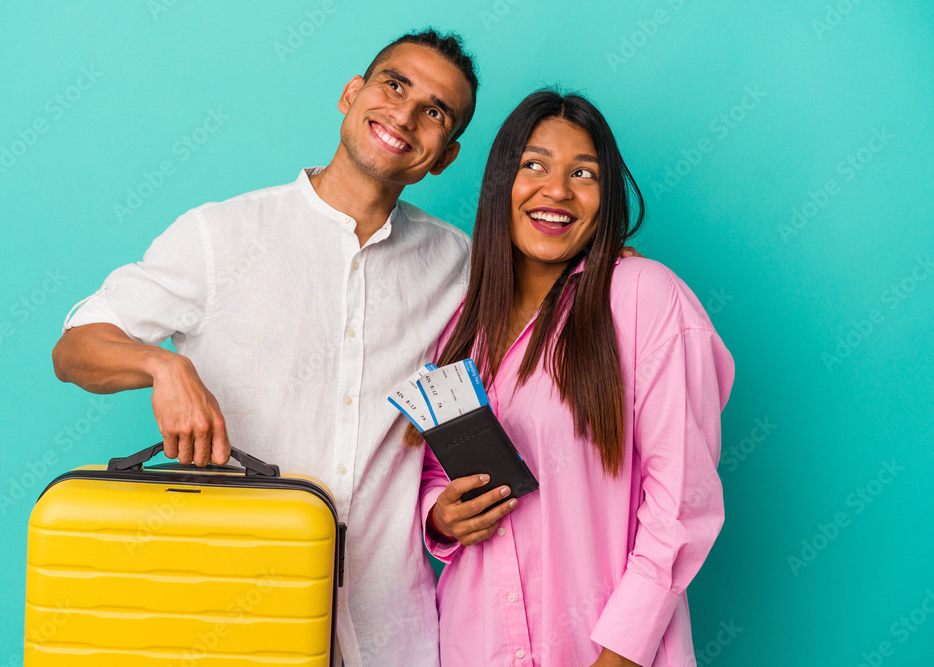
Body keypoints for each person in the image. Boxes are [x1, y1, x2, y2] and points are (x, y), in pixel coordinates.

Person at [51, 29, 480, 667]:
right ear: (351, 93)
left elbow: (543, 316)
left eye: (435, 112)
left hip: (392, 631)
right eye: (395, 85)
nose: (406, 115)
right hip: (233, 617)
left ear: (444, 155)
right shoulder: (218, 235)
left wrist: (607, 264)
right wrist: (161, 364)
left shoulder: (459, 263)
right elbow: (75, 350)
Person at [415, 90, 735, 666]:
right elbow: (433, 470)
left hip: (600, 649)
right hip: (473, 641)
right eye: (533, 165)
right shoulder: (460, 323)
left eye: (582, 173)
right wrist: (441, 513)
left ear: (605, 196)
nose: (556, 190)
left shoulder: (642, 298)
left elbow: (681, 502)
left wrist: (619, 654)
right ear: (499, 185)